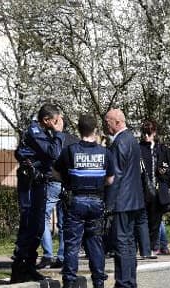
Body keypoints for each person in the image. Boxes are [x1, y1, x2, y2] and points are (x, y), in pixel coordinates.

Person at [53, 114, 115, 288]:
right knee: (95, 242)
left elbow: (55, 172)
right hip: (96, 201)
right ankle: (98, 281)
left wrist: (69, 179)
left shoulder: (70, 151)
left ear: (78, 129)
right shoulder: (105, 153)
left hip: (76, 201)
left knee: (72, 243)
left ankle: (70, 281)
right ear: (95, 130)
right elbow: (110, 180)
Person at [11, 104, 65, 283]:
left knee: (38, 226)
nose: (59, 124)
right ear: (47, 120)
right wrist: (58, 134)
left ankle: (30, 266)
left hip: (40, 181)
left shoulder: (44, 132)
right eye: (56, 120)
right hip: (30, 183)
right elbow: (53, 152)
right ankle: (19, 269)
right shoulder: (35, 131)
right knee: (29, 224)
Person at [105, 108, 145, 288]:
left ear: (117, 122)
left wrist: (109, 203)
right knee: (129, 243)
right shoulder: (132, 140)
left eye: (108, 122)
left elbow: (116, 175)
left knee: (121, 243)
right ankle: (130, 281)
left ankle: (123, 282)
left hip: (122, 201)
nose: (106, 124)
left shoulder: (120, 142)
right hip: (134, 199)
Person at [37, 132, 78, 270]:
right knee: (64, 222)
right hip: (69, 183)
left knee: (43, 216)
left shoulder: (53, 139)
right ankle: (62, 256)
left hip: (53, 181)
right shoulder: (74, 141)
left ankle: (48, 254)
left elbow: (49, 157)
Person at [139, 119, 170, 258]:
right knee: (144, 220)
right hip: (143, 190)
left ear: (154, 132)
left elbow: (168, 167)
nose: (146, 136)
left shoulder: (162, 149)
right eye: (144, 133)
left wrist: (163, 170)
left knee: (156, 221)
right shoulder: (140, 148)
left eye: (148, 133)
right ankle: (146, 248)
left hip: (159, 190)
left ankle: (154, 246)